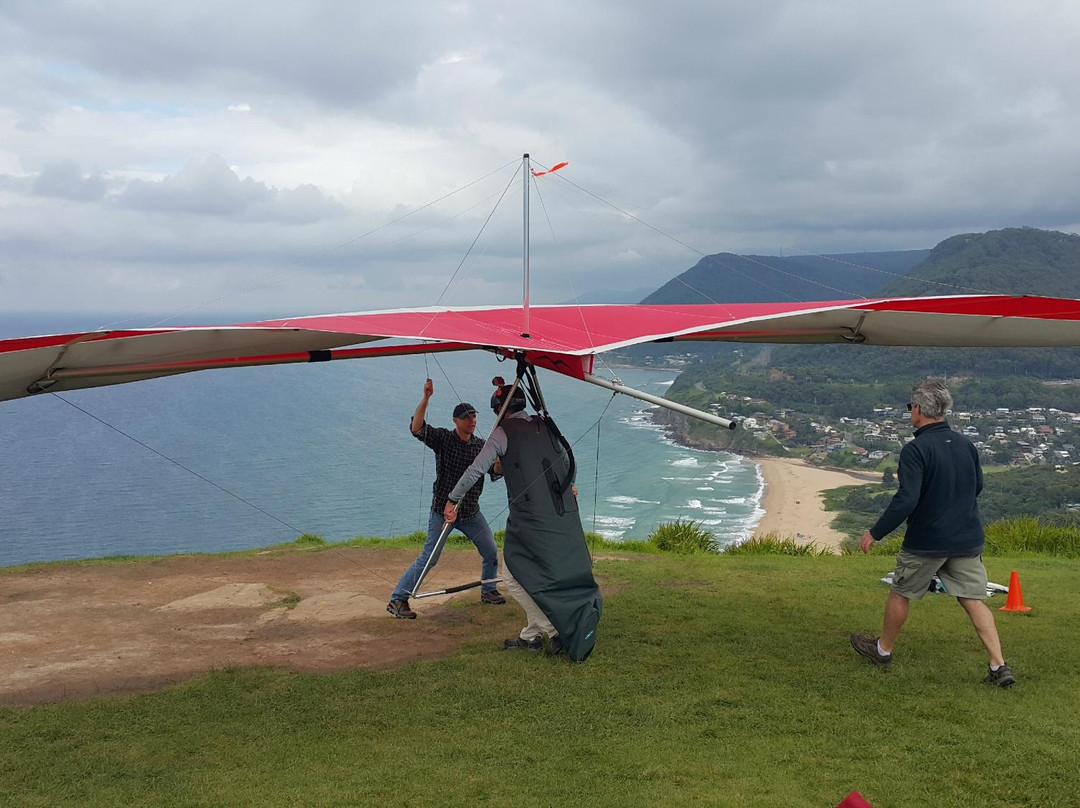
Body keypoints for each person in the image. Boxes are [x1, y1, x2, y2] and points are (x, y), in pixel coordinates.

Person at [850, 380, 1015, 687]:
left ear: (918, 410)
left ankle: (882, 650)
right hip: (967, 537)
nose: (909, 412)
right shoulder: (966, 445)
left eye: (910, 407)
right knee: (973, 600)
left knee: (901, 592)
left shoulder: (916, 450)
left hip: (927, 541)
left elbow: (907, 499)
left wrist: (875, 532)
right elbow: (976, 487)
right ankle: (998, 665)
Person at [444, 380, 602, 662]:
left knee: (513, 576)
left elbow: (475, 470)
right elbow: (568, 459)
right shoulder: (544, 424)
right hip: (559, 510)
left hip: (530, 518)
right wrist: (570, 485)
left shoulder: (503, 432)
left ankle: (553, 631)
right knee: (542, 572)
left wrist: (452, 498)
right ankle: (530, 637)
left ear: (500, 411)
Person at [386, 378, 505, 619]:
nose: (472, 421)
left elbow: (496, 471)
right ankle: (398, 599)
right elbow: (417, 428)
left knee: (491, 551)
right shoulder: (444, 439)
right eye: (466, 418)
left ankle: (489, 590)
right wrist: (427, 397)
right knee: (430, 558)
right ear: (456, 421)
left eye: (474, 417)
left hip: (471, 512)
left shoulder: (481, 447)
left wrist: (501, 455)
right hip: (443, 511)